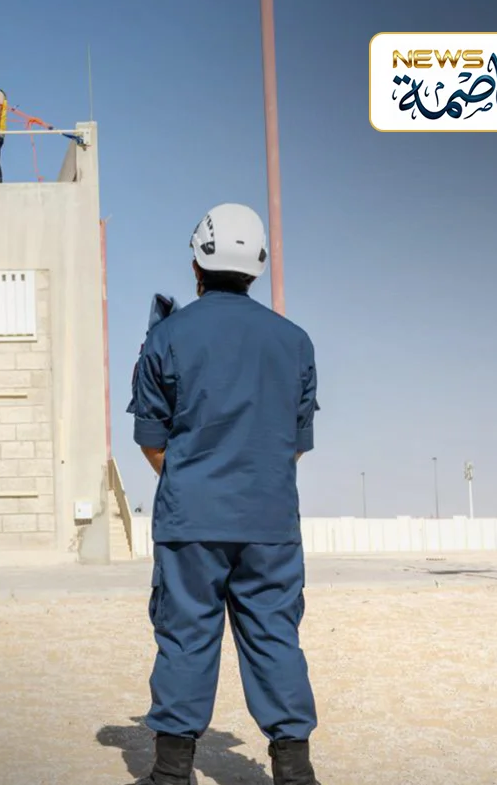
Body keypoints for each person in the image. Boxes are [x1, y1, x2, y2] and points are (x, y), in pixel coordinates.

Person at [128, 203, 321, 785]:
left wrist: (194, 480)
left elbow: (152, 439)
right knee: (275, 635)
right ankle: (294, 771)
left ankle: (171, 772)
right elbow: (295, 445)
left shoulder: (166, 337)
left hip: (191, 521)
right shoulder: (295, 342)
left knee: (186, 638)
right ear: (257, 265)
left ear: (197, 264)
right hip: (270, 521)